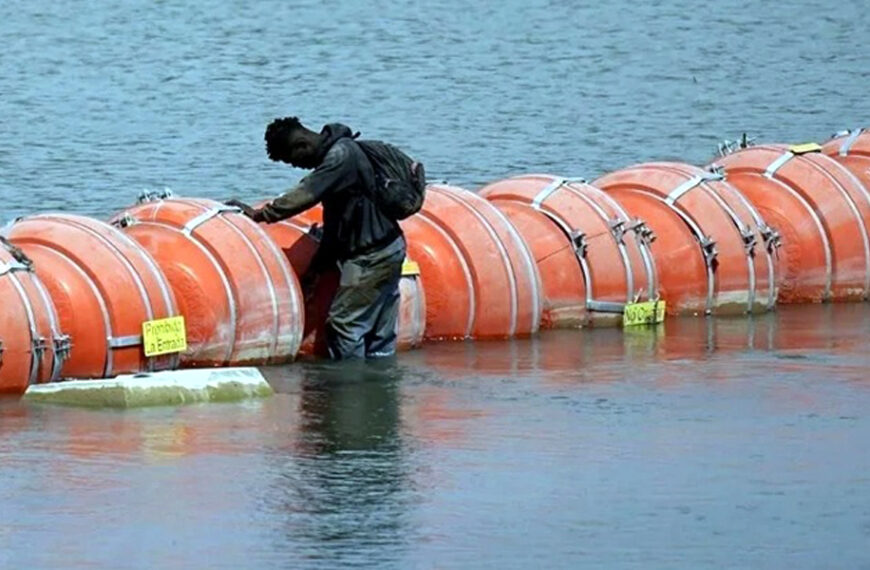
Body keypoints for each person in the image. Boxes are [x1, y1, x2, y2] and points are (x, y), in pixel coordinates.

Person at [227, 117, 406, 360]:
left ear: (301, 145)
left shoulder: (339, 158)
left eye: (292, 161)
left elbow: (306, 193)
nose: (297, 167)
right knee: (379, 335)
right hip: (389, 248)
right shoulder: (344, 154)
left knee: (344, 326)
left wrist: (261, 214)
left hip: (370, 258)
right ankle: (379, 389)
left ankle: (350, 390)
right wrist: (317, 267)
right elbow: (335, 227)